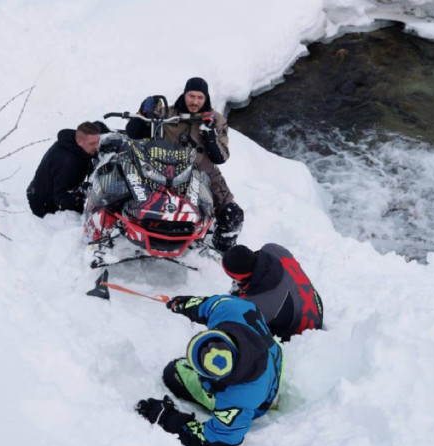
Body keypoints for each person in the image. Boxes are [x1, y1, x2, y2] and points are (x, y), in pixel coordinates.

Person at [136, 294, 283, 446]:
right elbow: (210, 305)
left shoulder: (237, 399)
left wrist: (167, 417)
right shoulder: (234, 311)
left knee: (172, 373)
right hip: (272, 361)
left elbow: (216, 441)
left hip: (260, 400)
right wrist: (186, 305)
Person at [126, 77, 243, 253]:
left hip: (201, 169)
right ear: (184, 94)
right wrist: (143, 113)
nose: (195, 101)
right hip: (161, 168)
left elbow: (221, 157)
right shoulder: (165, 113)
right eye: (191, 96)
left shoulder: (216, 119)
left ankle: (221, 248)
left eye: (200, 97)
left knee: (232, 215)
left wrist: (210, 135)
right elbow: (134, 133)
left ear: (206, 99)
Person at [221, 244, 323, 341]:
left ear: (239, 277)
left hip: (308, 328)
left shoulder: (259, 304)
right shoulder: (273, 249)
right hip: (312, 301)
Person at [26, 121, 103, 218]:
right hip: (44, 205)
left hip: (52, 188)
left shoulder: (77, 142)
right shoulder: (67, 163)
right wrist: (84, 192)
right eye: (92, 144)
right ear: (79, 141)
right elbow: (61, 200)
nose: (97, 147)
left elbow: (96, 129)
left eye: (98, 142)